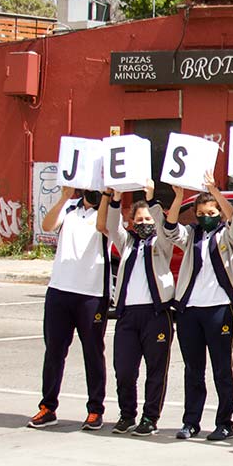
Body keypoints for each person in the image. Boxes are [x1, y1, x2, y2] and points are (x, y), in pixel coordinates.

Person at [164, 171, 233, 442]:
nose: (205, 216)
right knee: (193, 368)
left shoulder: (228, 236)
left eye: (210, 211)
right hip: (190, 310)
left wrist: (215, 191)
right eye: (200, 213)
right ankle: (191, 421)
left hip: (219, 308)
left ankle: (225, 422)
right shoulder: (192, 235)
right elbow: (170, 229)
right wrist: (178, 198)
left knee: (222, 368)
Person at [96, 179, 178, 437]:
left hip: (156, 314)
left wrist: (151, 198)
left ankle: (150, 417)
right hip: (128, 316)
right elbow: (111, 226)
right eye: (139, 220)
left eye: (148, 220)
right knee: (124, 369)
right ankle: (126, 414)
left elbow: (164, 228)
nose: (144, 224)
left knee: (155, 370)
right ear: (131, 222)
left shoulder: (161, 244)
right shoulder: (127, 243)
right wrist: (116, 198)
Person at [28, 185, 111, 430]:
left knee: (93, 352)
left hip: (92, 292)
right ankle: (48, 406)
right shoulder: (70, 208)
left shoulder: (106, 212)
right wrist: (65, 196)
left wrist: (106, 197)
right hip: (60, 289)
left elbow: (103, 227)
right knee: (54, 351)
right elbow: (47, 225)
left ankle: (95, 409)